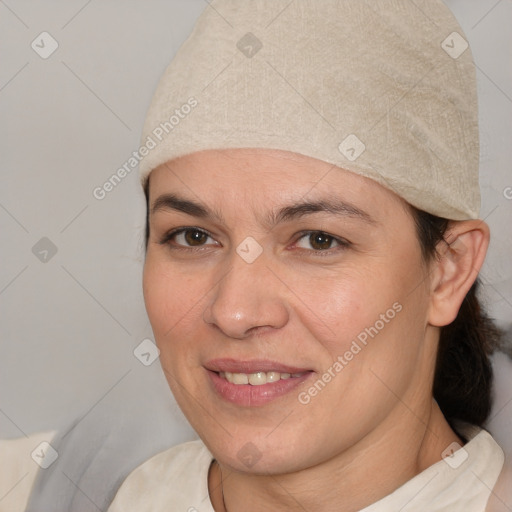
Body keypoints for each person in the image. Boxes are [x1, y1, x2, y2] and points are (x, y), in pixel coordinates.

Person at [104, 0, 508, 510]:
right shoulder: (82, 491)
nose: (234, 312)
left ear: (448, 272)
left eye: (319, 240)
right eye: (193, 236)